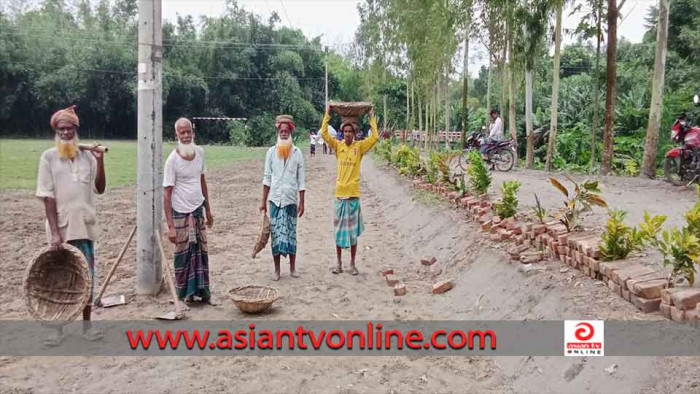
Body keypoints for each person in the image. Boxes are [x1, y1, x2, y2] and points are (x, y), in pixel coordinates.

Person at [36, 105, 106, 345]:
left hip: (84, 227)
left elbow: (100, 188)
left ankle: (87, 327)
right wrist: (55, 232)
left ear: (76, 130)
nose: (66, 133)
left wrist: (100, 161)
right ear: (56, 131)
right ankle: (56, 329)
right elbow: (47, 196)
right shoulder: (49, 157)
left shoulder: (88, 156)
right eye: (61, 129)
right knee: (59, 278)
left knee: (86, 277)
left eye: (70, 129)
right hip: (61, 230)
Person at [163, 117, 217, 306]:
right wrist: (170, 226)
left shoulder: (200, 152)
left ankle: (203, 292)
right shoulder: (172, 160)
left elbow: (202, 182)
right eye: (182, 132)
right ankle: (184, 294)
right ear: (176, 135)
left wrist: (208, 210)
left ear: (193, 132)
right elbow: (167, 194)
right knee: (182, 253)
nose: (186, 136)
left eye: (188, 132)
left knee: (201, 251)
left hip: (197, 210)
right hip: (180, 213)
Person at [320, 105, 379, 275]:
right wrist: (328, 114)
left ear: (354, 134)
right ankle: (339, 264)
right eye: (344, 132)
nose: (347, 134)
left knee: (353, 234)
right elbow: (324, 134)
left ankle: (352, 264)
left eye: (350, 132)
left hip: (353, 195)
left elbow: (375, 137)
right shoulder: (338, 147)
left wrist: (371, 117)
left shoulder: (358, 148)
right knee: (339, 232)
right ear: (341, 133)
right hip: (339, 195)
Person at [260, 115, 306, 281]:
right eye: (282, 131)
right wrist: (263, 201)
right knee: (276, 236)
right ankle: (277, 270)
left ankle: (293, 268)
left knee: (291, 233)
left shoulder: (297, 153)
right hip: (275, 200)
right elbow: (267, 178)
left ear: (291, 132)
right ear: (278, 132)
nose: (284, 134)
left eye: (286, 131)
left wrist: (302, 202)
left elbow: (301, 180)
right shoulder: (271, 153)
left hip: (290, 200)